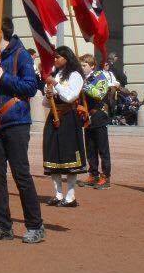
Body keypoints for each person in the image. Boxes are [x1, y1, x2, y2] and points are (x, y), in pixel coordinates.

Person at [0, 17, 44, 244]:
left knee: (21, 174)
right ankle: (2, 224)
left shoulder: (21, 55)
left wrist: (4, 76)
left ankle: (35, 225)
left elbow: (31, 87)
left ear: (1, 31)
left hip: (15, 122)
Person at [42, 47, 87, 208]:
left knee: (69, 157)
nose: (55, 60)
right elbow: (45, 102)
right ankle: (57, 193)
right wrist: (48, 95)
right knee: (52, 154)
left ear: (66, 58)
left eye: (58, 57)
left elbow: (70, 96)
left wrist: (56, 85)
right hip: (53, 117)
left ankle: (70, 196)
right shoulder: (55, 74)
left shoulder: (75, 75)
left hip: (69, 118)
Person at [78, 54, 112, 189]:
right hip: (86, 116)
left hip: (98, 114)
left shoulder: (100, 77)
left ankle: (106, 176)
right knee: (90, 147)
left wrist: (85, 86)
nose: (82, 68)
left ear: (92, 66)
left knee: (102, 148)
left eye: (84, 65)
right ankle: (93, 174)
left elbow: (100, 93)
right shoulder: (81, 78)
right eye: (80, 65)